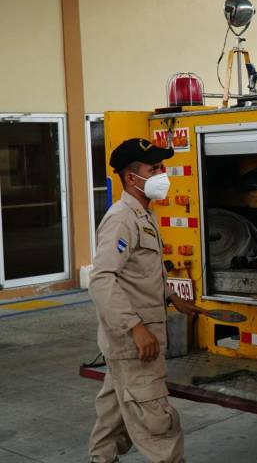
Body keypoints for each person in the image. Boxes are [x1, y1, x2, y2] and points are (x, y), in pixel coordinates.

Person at [88, 138, 204, 463]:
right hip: (135, 344)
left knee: (112, 418)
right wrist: (136, 328)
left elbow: (139, 273)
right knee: (159, 426)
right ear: (131, 177)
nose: (162, 174)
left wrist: (173, 298)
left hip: (128, 343)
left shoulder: (144, 215)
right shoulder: (122, 219)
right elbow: (102, 279)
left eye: (162, 167)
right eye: (154, 169)